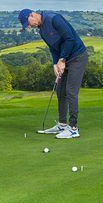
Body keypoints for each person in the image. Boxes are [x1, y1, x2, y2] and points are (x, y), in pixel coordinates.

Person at [18, 9, 88, 139]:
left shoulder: (54, 19)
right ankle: (62, 124)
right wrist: (55, 64)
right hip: (64, 59)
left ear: (32, 15)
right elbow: (53, 48)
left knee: (71, 91)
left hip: (77, 57)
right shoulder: (42, 31)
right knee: (60, 90)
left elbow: (70, 39)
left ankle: (73, 128)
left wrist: (62, 59)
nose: (29, 26)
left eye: (28, 23)